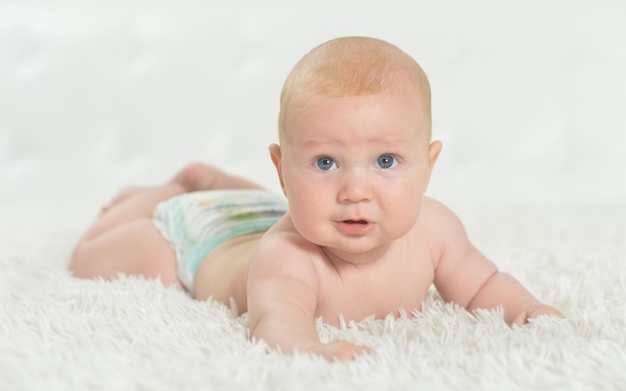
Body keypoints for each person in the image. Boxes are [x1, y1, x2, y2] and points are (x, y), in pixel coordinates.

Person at [70, 36, 563, 361]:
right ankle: (167, 193)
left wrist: (529, 309)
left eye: (386, 162)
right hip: (202, 238)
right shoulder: (288, 256)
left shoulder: (436, 230)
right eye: (325, 163)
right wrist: (308, 349)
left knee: (287, 211)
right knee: (93, 257)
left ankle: (212, 177)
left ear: (429, 166)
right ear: (284, 170)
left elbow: (483, 287)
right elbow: (275, 319)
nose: (354, 191)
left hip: (265, 212)